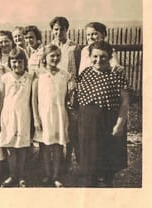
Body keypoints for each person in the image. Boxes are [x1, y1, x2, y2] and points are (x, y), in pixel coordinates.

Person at [77, 41, 130, 187]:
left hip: (109, 123)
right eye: (95, 56)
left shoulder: (117, 74)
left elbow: (125, 102)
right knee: (90, 166)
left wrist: (119, 124)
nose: (98, 60)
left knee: (108, 167)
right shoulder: (85, 73)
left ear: (110, 57)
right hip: (87, 124)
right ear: (89, 56)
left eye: (103, 57)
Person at [32, 44, 75, 187]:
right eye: (52, 56)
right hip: (44, 115)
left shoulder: (65, 75)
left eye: (57, 55)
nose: (55, 58)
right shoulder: (38, 74)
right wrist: (36, 118)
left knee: (57, 146)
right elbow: (34, 99)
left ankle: (56, 176)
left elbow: (68, 97)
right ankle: (47, 174)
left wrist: (71, 90)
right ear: (45, 58)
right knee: (45, 146)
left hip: (59, 115)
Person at [0, 48, 33, 187]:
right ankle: (12, 175)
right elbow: (1, 99)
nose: (17, 64)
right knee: (10, 147)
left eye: (20, 61)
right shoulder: (5, 78)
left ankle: (21, 176)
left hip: (23, 115)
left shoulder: (30, 77)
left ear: (25, 62)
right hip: (8, 115)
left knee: (22, 147)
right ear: (10, 63)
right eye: (14, 62)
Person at [49, 17, 80, 170]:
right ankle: (57, 159)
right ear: (52, 30)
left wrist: (73, 87)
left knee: (70, 125)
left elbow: (77, 69)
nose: (58, 32)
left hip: (69, 88)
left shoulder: (74, 47)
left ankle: (68, 158)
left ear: (67, 30)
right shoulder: (49, 47)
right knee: (56, 123)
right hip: (54, 88)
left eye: (61, 29)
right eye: (55, 29)